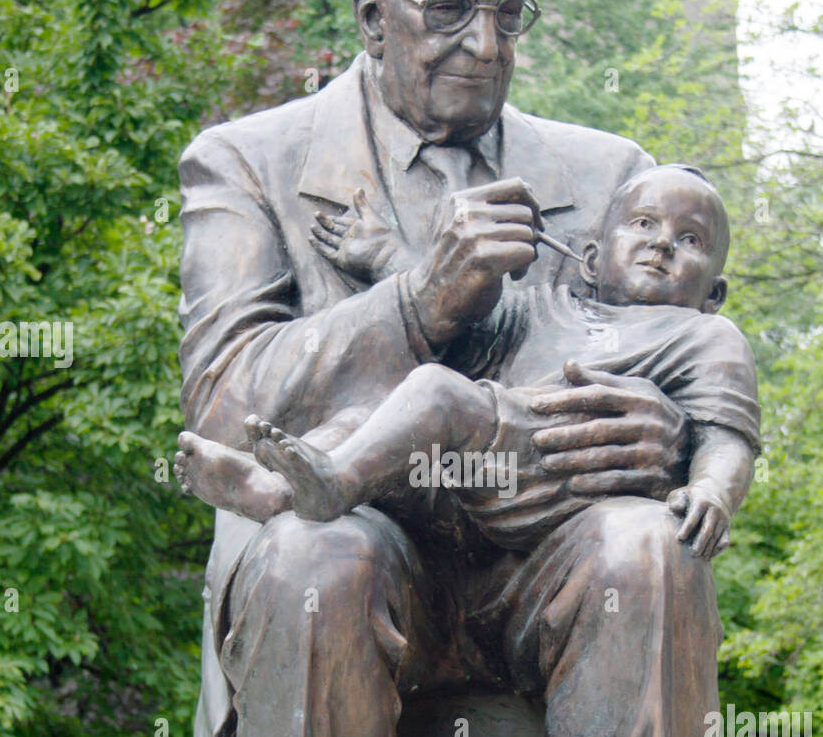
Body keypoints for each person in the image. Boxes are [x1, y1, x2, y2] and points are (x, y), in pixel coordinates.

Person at [177, 0, 728, 737]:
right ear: (372, 16)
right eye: (448, 9)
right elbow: (224, 401)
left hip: (540, 549)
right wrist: (414, 304)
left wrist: (662, 434)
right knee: (314, 555)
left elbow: (690, 379)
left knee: (644, 549)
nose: (485, 44)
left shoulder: (608, 172)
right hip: (365, 539)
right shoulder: (250, 161)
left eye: (511, 13)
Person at [175, 164, 759, 566]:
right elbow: (469, 314)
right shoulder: (544, 308)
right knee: (368, 413)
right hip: (475, 480)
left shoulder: (707, 336)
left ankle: (333, 485)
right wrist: (383, 253)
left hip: (565, 484)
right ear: (588, 258)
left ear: (715, 293)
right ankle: (278, 489)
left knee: (433, 389)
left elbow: (727, 437)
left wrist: (711, 490)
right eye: (643, 224)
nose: (661, 244)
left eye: (691, 241)